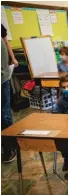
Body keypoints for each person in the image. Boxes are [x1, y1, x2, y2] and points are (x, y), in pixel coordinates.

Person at [1, 24, 18, 163]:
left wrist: (13, 59)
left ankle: (9, 146)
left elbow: (6, 42)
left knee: (3, 114)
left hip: (2, 79)